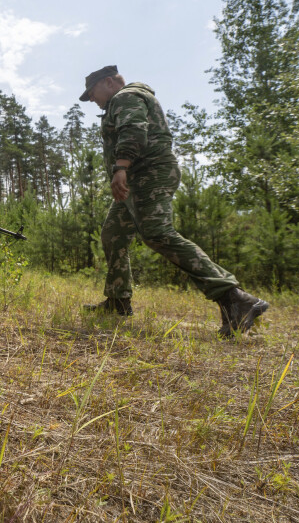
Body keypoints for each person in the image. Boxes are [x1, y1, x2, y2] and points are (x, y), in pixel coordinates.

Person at [81, 65, 270, 338]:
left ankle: (235, 298)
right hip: (136, 179)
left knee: (158, 233)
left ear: (108, 82)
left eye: (92, 93)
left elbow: (134, 129)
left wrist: (120, 166)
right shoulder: (125, 99)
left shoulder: (125, 96)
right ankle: (117, 301)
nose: (92, 100)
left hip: (148, 175)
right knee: (114, 233)